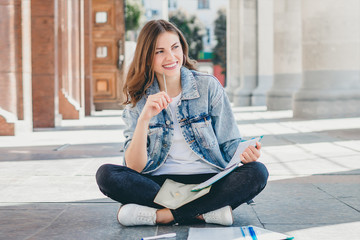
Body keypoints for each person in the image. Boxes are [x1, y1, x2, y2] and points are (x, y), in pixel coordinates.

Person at [96, 19, 268, 227]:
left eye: (175, 47)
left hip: (207, 181)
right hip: (159, 184)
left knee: (257, 172)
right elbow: (134, 167)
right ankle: (204, 212)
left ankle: (164, 215)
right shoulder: (139, 98)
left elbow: (229, 143)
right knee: (106, 175)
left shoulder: (208, 87)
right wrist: (144, 119)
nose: (170, 57)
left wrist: (246, 153)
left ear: (183, 49)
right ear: (147, 58)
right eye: (159, 51)